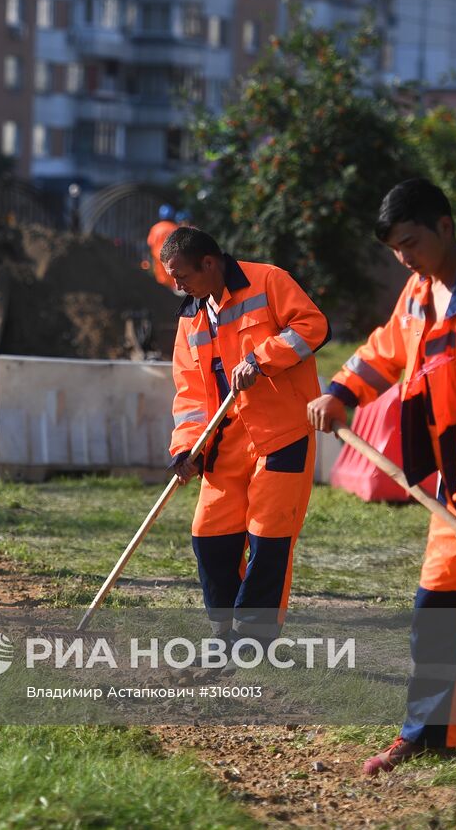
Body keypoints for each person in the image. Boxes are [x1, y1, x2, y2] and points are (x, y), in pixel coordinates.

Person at [307, 179, 456, 791]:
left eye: (410, 243)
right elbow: (388, 349)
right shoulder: (421, 292)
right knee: (439, 604)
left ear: (445, 227)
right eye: (395, 249)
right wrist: (342, 393)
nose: (404, 259)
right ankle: (430, 729)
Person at [162, 226, 329, 646]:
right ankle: (224, 633)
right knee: (208, 535)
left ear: (209, 263)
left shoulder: (269, 280)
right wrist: (186, 447)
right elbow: (190, 394)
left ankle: (254, 639)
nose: (176, 285)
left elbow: (312, 325)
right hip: (224, 443)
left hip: (281, 433)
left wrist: (262, 358)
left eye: (181, 276)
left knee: (268, 537)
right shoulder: (190, 318)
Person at [146, 205, 179, 288]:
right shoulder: (175, 228)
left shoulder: (155, 228)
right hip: (172, 259)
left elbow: (150, 243)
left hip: (158, 258)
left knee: (161, 281)